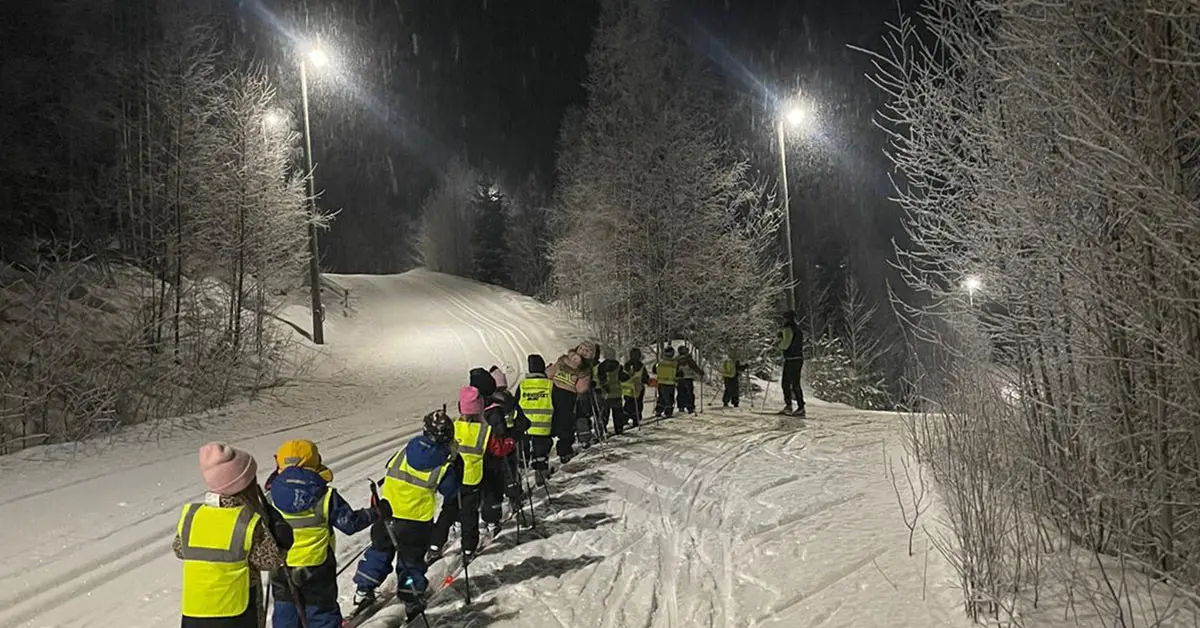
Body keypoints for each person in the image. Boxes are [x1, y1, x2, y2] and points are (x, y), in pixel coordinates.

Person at [353, 411, 459, 620]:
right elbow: (451, 491)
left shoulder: (405, 451)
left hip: (387, 515)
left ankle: (363, 589)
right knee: (411, 564)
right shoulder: (442, 465)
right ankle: (411, 598)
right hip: (415, 524)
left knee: (379, 552)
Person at [175, 442, 292, 628]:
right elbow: (270, 560)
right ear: (245, 484)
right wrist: (282, 538)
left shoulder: (193, 516)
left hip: (195, 611)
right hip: (235, 612)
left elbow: (180, 549)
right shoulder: (247, 521)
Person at [264, 440, 377, 628]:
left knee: (286, 613)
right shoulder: (325, 495)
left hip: (282, 568)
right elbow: (349, 524)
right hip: (317, 568)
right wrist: (374, 513)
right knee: (321, 613)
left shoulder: (269, 497)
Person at [428, 386, 495, 566]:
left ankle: (435, 545)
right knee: (469, 515)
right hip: (472, 479)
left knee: (447, 512)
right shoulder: (485, 430)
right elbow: (493, 451)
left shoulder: (453, 427)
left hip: (451, 480)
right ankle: (468, 548)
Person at [481, 369, 522, 536]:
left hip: (493, 450)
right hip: (508, 445)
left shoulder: (485, 403)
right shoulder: (509, 399)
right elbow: (522, 420)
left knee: (495, 482)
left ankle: (492, 517)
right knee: (510, 474)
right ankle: (514, 499)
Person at [515, 353, 555, 485]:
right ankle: (541, 477)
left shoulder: (522, 385)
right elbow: (557, 403)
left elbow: (516, 405)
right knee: (541, 455)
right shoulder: (549, 385)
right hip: (543, 427)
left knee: (523, 457)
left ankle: (518, 482)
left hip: (525, 428)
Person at [545, 348, 586, 464]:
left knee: (553, 419)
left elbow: (547, 374)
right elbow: (581, 388)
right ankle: (564, 452)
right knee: (566, 424)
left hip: (554, 393)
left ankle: (544, 453)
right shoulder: (581, 371)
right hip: (568, 396)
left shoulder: (561, 362)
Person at [778, 310, 806, 417]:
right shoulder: (798, 329)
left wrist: (779, 343)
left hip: (791, 359)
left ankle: (789, 406)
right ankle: (800, 406)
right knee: (795, 383)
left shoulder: (787, 329)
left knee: (786, 383)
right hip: (798, 358)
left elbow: (785, 344)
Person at [595, 348, 626, 434]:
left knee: (604, 413)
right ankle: (619, 428)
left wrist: (604, 386)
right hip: (616, 392)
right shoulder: (618, 366)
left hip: (605, 394)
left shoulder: (601, 366)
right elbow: (622, 377)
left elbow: (600, 378)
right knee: (617, 413)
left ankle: (602, 429)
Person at [624, 348, 650, 426]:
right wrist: (647, 380)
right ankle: (636, 418)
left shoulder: (627, 364)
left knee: (628, 403)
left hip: (627, 388)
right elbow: (644, 376)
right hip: (638, 388)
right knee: (638, 404)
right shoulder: (640, 365)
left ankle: (625, 417)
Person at [675, 345, 704, 414]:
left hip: (679, 379)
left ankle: (681, 406)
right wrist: (700, 373)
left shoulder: (676, 359)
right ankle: (690, 407)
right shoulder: (688, 359)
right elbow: (694, 367)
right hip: (688, 378)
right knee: (689, 393)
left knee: (681, 393)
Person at [653, 346, 678, 418]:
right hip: (670, 383)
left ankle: (659, 410)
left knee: (661, 397)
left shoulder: (660, 362)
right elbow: (678, 372)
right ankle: (668, 412)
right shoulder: (674, 363)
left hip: (661, 383)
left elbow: (654, 370)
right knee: (669, 398)